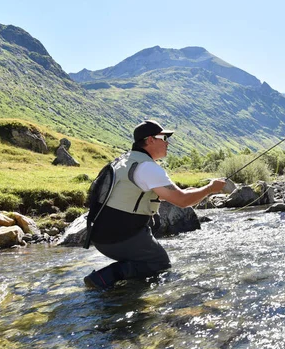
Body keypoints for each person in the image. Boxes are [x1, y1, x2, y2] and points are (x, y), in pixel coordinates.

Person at [83, 119, 227, 289]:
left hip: (99, 235)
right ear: (150, 139)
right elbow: (182, 201)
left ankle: (124, 294)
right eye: (164, 138)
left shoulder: (125, 160)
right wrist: (210, 188)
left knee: (148, 264)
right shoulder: (147, 167)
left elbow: (138, 194)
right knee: (159, 263)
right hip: (121, 237)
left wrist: (188, 191)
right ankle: (104, 278)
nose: (168, 143)